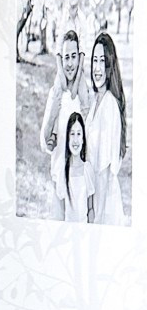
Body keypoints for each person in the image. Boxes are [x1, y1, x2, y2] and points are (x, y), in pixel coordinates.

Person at [42, 29, 90, 216]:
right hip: (58, 180)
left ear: (79, 57)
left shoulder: (83, 95)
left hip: (78, 183)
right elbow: (44, 141)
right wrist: (55, 104)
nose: (69, 63)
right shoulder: (56, 92)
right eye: (65, 58)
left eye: (73, 57)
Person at [88, 31, 128, 223]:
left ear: (110, 65)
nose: (97, 68)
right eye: (94, 60)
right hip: (93, 199)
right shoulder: (96, 99)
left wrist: (97, 218)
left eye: (102, 61)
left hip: (104, 206)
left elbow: (103, 171)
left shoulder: (110, 105)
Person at [62, 111, 96, 224]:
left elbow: (90, 209)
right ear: (67, 138)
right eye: (72, 134)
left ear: (83, 139)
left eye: (79, 134)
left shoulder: (87, 169)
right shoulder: (63, 170)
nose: (75, 139)